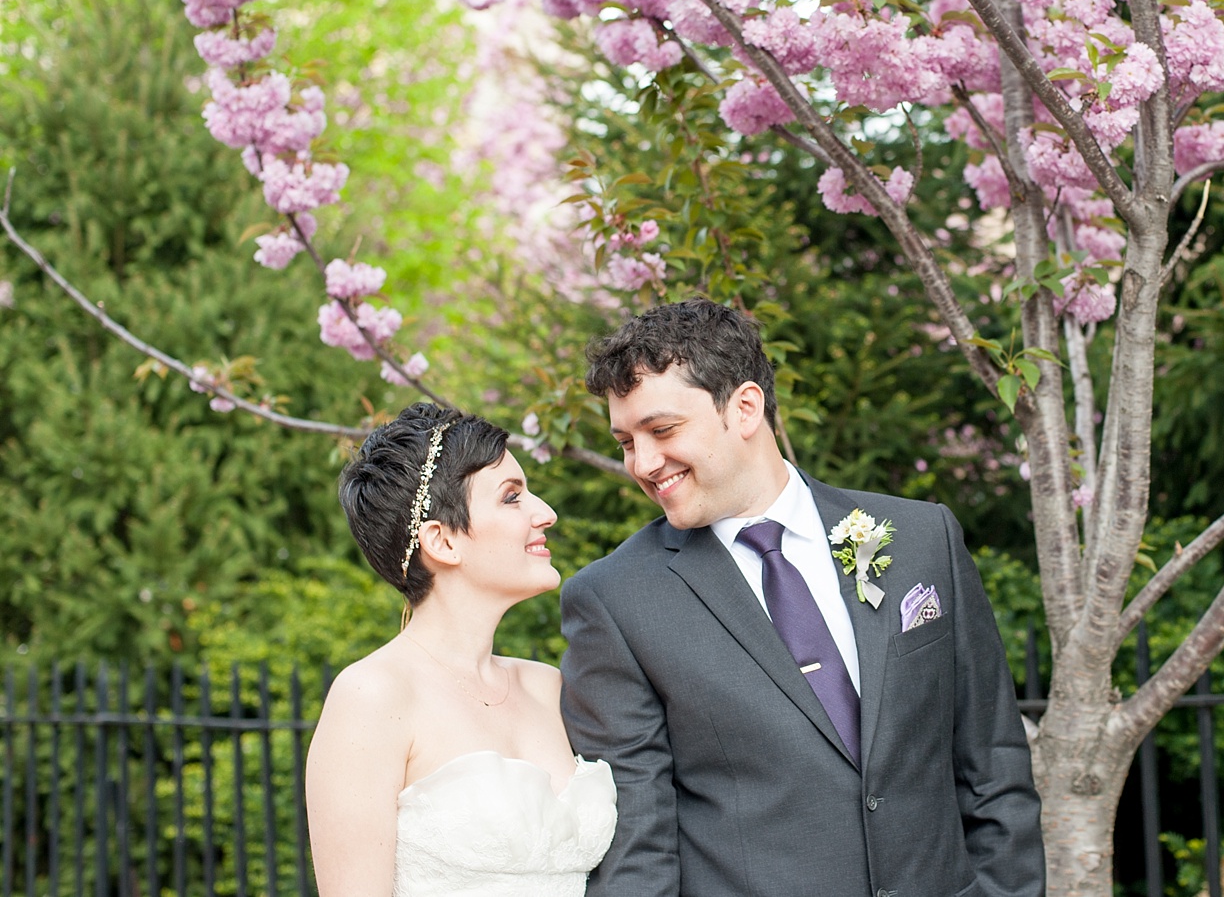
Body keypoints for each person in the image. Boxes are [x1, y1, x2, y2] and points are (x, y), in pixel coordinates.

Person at [561, 299, 1044, 897]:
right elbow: (639, 844)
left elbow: (991, 760)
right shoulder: (615, 601)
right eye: (626, 442)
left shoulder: (923, 539)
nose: (644, 463)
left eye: (661, 430)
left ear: (744, 407)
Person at [306, 403, 616, 897]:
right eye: (513, 498)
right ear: (443, 541)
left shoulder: (549, 686)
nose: (546, 513)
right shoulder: (372, 697)